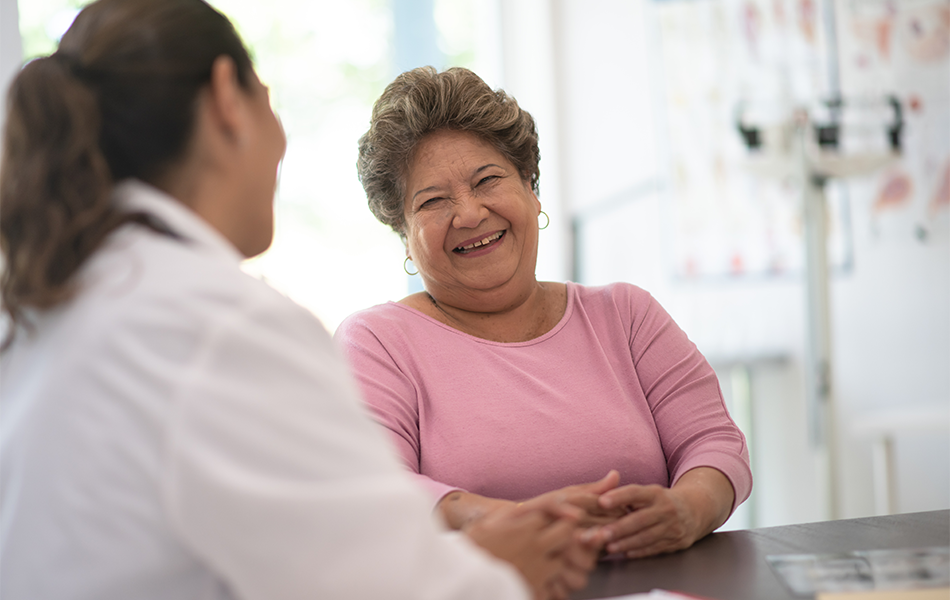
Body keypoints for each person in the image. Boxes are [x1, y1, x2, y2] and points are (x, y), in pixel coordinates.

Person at [0, 3, 603, 599]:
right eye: (268, 97)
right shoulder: (217, 325)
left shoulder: (50, 301)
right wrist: (501, 571)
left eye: (489, 180)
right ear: (226, 100)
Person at [336, 66, 753, 560]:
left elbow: (714, 442)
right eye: (433, 201)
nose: (468, 214)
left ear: (531, 191)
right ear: (404, 234)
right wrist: (501, 522)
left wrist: (687, 510)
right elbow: (375, 487)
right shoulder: (377, 341)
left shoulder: (626, 314)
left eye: (487, 180)